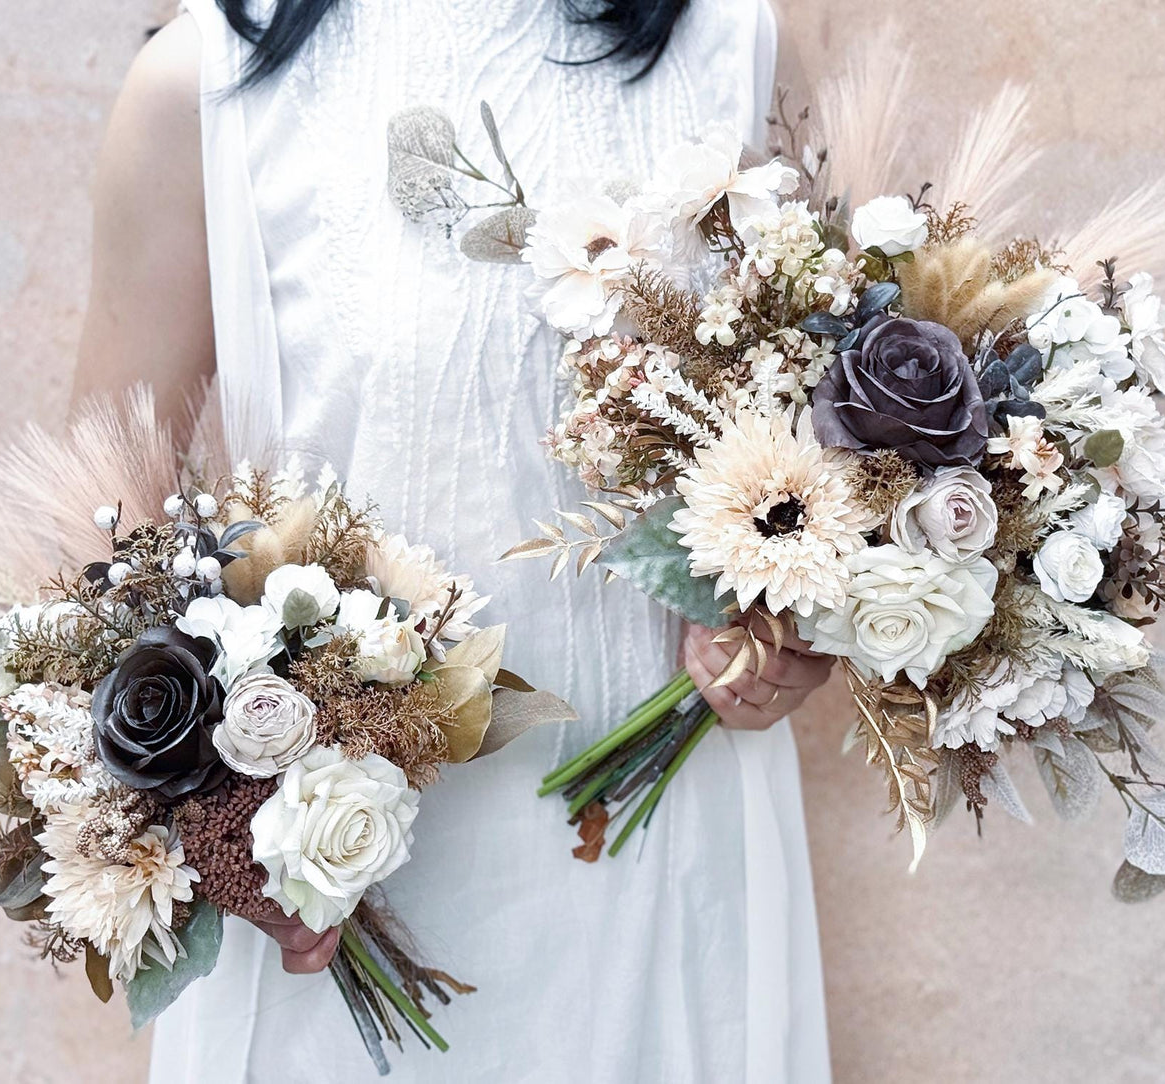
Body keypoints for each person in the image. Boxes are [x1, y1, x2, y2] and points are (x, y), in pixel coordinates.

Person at [73, 1, 833, 1079]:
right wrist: (231, 836)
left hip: (666, 862)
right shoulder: (204, 87)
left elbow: (821, 444)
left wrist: (788, 626)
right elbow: (98, 547)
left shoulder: (735, 47)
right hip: (342, 911)